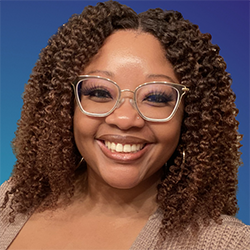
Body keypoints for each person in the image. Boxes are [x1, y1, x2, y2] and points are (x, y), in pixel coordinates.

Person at [0, 1, 249, 249]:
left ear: (190, 117)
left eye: (156, 98)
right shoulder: (10, 202)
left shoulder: (228, 244)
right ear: (65, 107)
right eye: (99, 92)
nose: (125, 119)